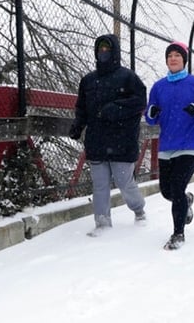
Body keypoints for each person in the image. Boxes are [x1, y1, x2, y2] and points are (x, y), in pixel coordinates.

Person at [145, 41, 194, 250]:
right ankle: (186, 201)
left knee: (177, 188)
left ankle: (178, 234)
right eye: (170, 55)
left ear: (184, 60)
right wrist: (151, 114)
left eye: (177, 55)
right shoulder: (158, 87)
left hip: (191, 145)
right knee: (166, 192)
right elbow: (151, 115)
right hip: (167, 146)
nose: (173, 58)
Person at [69, 33, 147, 236]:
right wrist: (78, 125)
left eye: (107, 49)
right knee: (100, 185)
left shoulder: (128, 77)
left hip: (122, 141)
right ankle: (102, 223)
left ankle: (138, 209)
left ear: (115, 51)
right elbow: (81, 108)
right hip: (96, 141)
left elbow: (140, 101)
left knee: (124, 183)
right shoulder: (88, 80)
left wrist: (116, 108)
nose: (103, 52)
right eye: (100, 49)